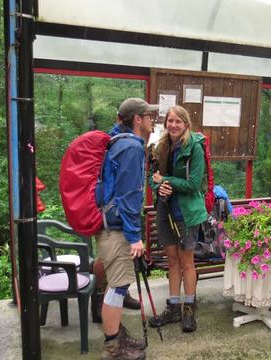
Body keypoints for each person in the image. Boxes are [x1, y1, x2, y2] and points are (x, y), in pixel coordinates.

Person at [98, 97, 157, 360]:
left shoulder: (117, 141)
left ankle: (117, 335)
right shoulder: (131, 147)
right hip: (118, 227)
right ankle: (112, 347)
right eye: (149, 116)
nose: (153, 121)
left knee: (116, 284)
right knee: (118, 287)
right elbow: (128, 195)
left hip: (109, 221)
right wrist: (135, 237)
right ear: (137, 119)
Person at [148, 105, 208, 332]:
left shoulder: (194, 148)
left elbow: (193, 184)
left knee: (186, 261)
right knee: (172, 260)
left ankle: (189, 309)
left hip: (187, 212)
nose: (173, 125)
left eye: (178, 121)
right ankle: (173, 308)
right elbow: (153, 177)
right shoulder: (161, 146)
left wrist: (167, 181)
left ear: (186, 124)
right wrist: (159, 186)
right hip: (165, 209)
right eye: (170, 121)